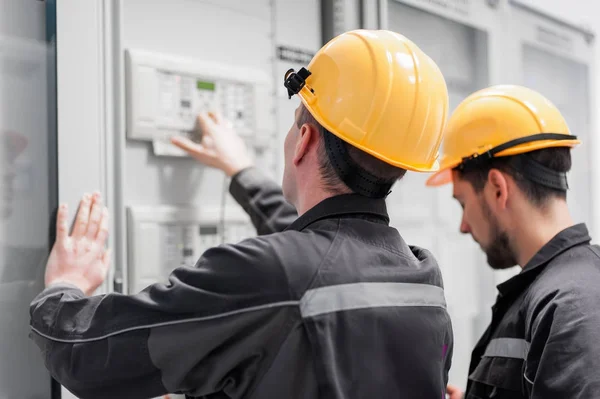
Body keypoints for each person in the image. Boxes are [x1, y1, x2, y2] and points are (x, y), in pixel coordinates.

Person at [29, 30, 454, 398]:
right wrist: (241, 172)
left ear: (303, 140)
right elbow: (324, 263)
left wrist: (63, 286)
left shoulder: (266, 275)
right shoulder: (423, 279)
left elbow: (85, 352)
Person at [425, 85, 600, 399]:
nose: (463, 226)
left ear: (496, 188)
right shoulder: (558, 292)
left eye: (463, 203)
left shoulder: (572, 305)